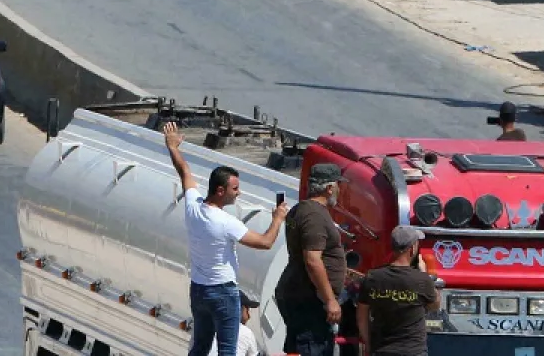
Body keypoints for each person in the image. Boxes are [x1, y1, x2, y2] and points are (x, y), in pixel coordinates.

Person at [163, 121, 287, 356]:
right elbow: (265, 242)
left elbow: (185, 172)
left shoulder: (193, 207)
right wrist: (278, 218)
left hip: (199, 290)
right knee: (228, 350)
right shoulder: (225, 223)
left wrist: (173, 147)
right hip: (222, 291)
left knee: (200, 347)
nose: (238, 192)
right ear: (221, 191)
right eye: (235, 189)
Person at [275, 163, 346, 356]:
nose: (340, 190)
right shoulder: (314, 215)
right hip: (309, 299)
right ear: (329, 188)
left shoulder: (300, 210)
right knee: (312, 347)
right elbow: (312, 260)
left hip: (298, 292)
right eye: (339, 185)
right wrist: (330, 299)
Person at [357, 226, 439, 356]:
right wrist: (426, 274)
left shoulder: (372, 277)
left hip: (381, 350)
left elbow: (362, 316)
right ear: (412, 249)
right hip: (413, 351)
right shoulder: (421, 280)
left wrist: (368, 343)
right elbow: (435, 305)